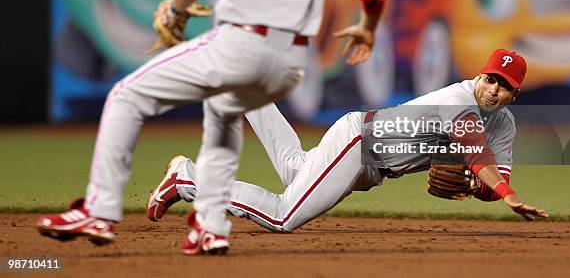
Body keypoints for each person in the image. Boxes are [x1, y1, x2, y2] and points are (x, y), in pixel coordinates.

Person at [36, 0, 389, 255]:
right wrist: (367, 26)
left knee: (126, 96)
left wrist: (176, 11)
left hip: (241, 44)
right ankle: (211, 226)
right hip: (289, 58)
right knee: (228, 110)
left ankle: (99, 212)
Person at [146, 49, 548, 240]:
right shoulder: (458, 99)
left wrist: (482, 190)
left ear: (515, 94)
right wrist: (507, 193)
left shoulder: (504, 124)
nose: (494, 90)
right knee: (284, 216)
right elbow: (476, 151)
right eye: (491, 79)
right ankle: (187, 179)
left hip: (370, 165)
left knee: (293, 167)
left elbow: (493, 176)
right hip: (359, 143)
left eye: (505, 86)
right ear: (480, 76)